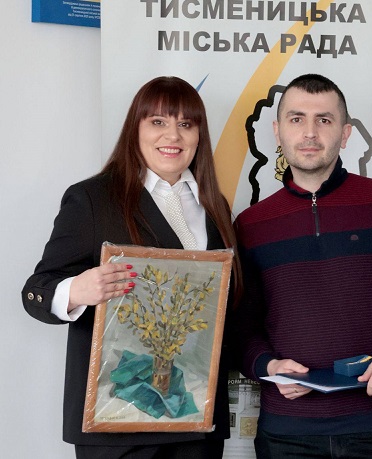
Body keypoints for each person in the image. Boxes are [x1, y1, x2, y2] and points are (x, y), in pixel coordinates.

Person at [234, 74, 372, 458]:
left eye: (324, 120)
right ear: (277, 131)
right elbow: (239, 329)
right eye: (297, 119)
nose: (310, 132)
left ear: (346, 132)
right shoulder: (250, 225)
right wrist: (269, 365)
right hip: (287, 435)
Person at [22, 76, 240, 459]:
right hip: (115, 421)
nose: (172, 135)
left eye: (186, 124)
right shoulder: (93, 198)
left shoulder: (215, 205)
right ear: (134, 129)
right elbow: (34, 291)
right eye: (157, 121)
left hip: (195, 419)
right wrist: (77, 290)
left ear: (199, 135)